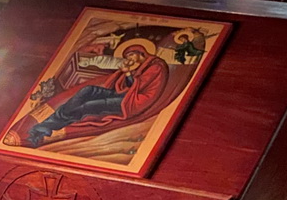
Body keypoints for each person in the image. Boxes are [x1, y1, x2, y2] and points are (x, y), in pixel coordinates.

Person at [19, 38, 174, 148]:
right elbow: (124, 86)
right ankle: (52, 122)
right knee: (88, 90)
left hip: (133, 102)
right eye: (127, 57)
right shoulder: (139, 68)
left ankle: (43, 128)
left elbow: (137, 87)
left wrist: (128, 73)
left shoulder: (155, 66)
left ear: (141, 53)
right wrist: (126, 73)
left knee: (88, 107)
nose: (130, 59)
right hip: (124, 95)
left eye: (131, 56)